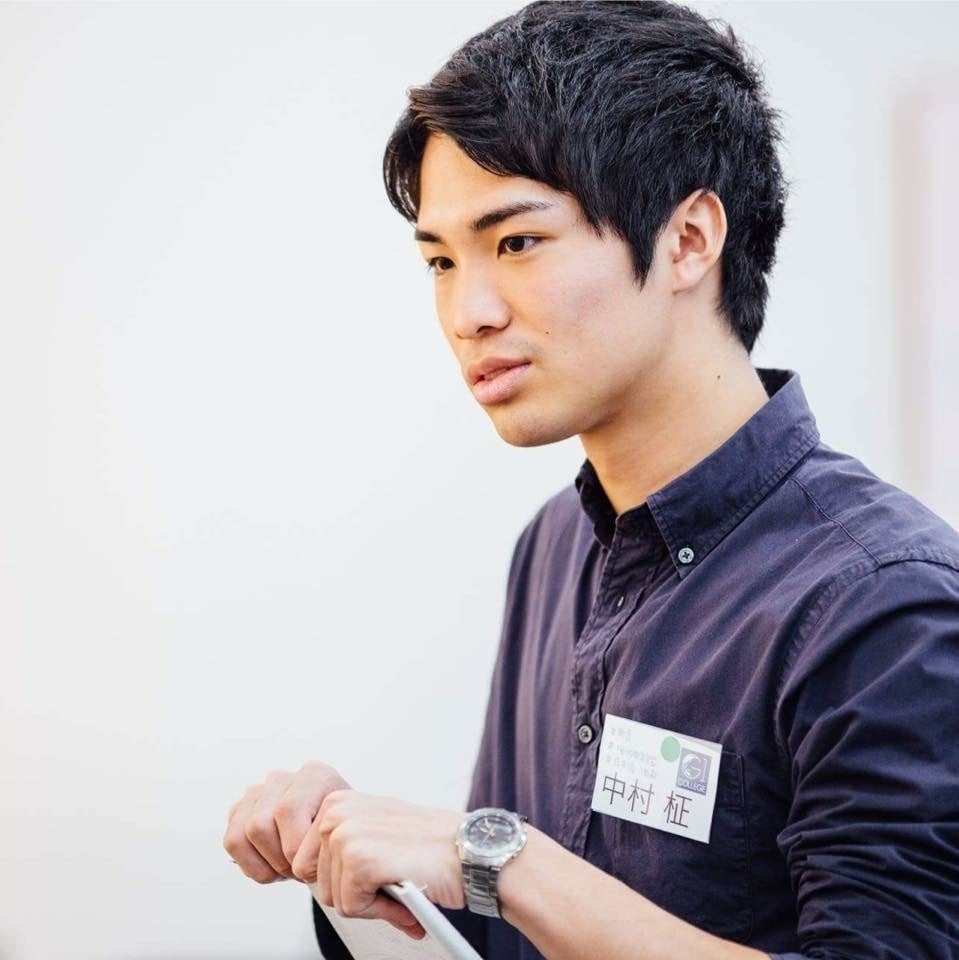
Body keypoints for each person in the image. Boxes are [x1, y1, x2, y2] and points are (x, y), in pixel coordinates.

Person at [222, 2, 959, 957]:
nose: (468, 312)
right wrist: (363, 858)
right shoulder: (556, 545)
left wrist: (496, 856)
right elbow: (520, 932)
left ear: (688, 240)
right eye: (440, 261)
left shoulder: (883, 604)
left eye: (515, 244)